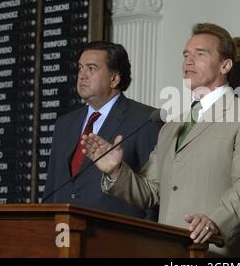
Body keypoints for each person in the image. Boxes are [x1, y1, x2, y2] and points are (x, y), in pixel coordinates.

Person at [80, 23, 240, 256]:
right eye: (186, 55)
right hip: (168, 250)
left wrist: (215, 222)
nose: (188, 61)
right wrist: (115, 171)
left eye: (200, 54)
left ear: (226, 64)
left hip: (214, 251)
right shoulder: (172, 125)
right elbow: (151, 190)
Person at [43, 41, 160, 220]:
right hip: (63, 235)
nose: (82, 75)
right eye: (80, 68)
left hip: (116, 238)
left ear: (114, 78)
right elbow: (52, 189)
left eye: (91, 68)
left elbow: (153, 194)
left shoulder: (146, 119)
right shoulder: (64, 124)